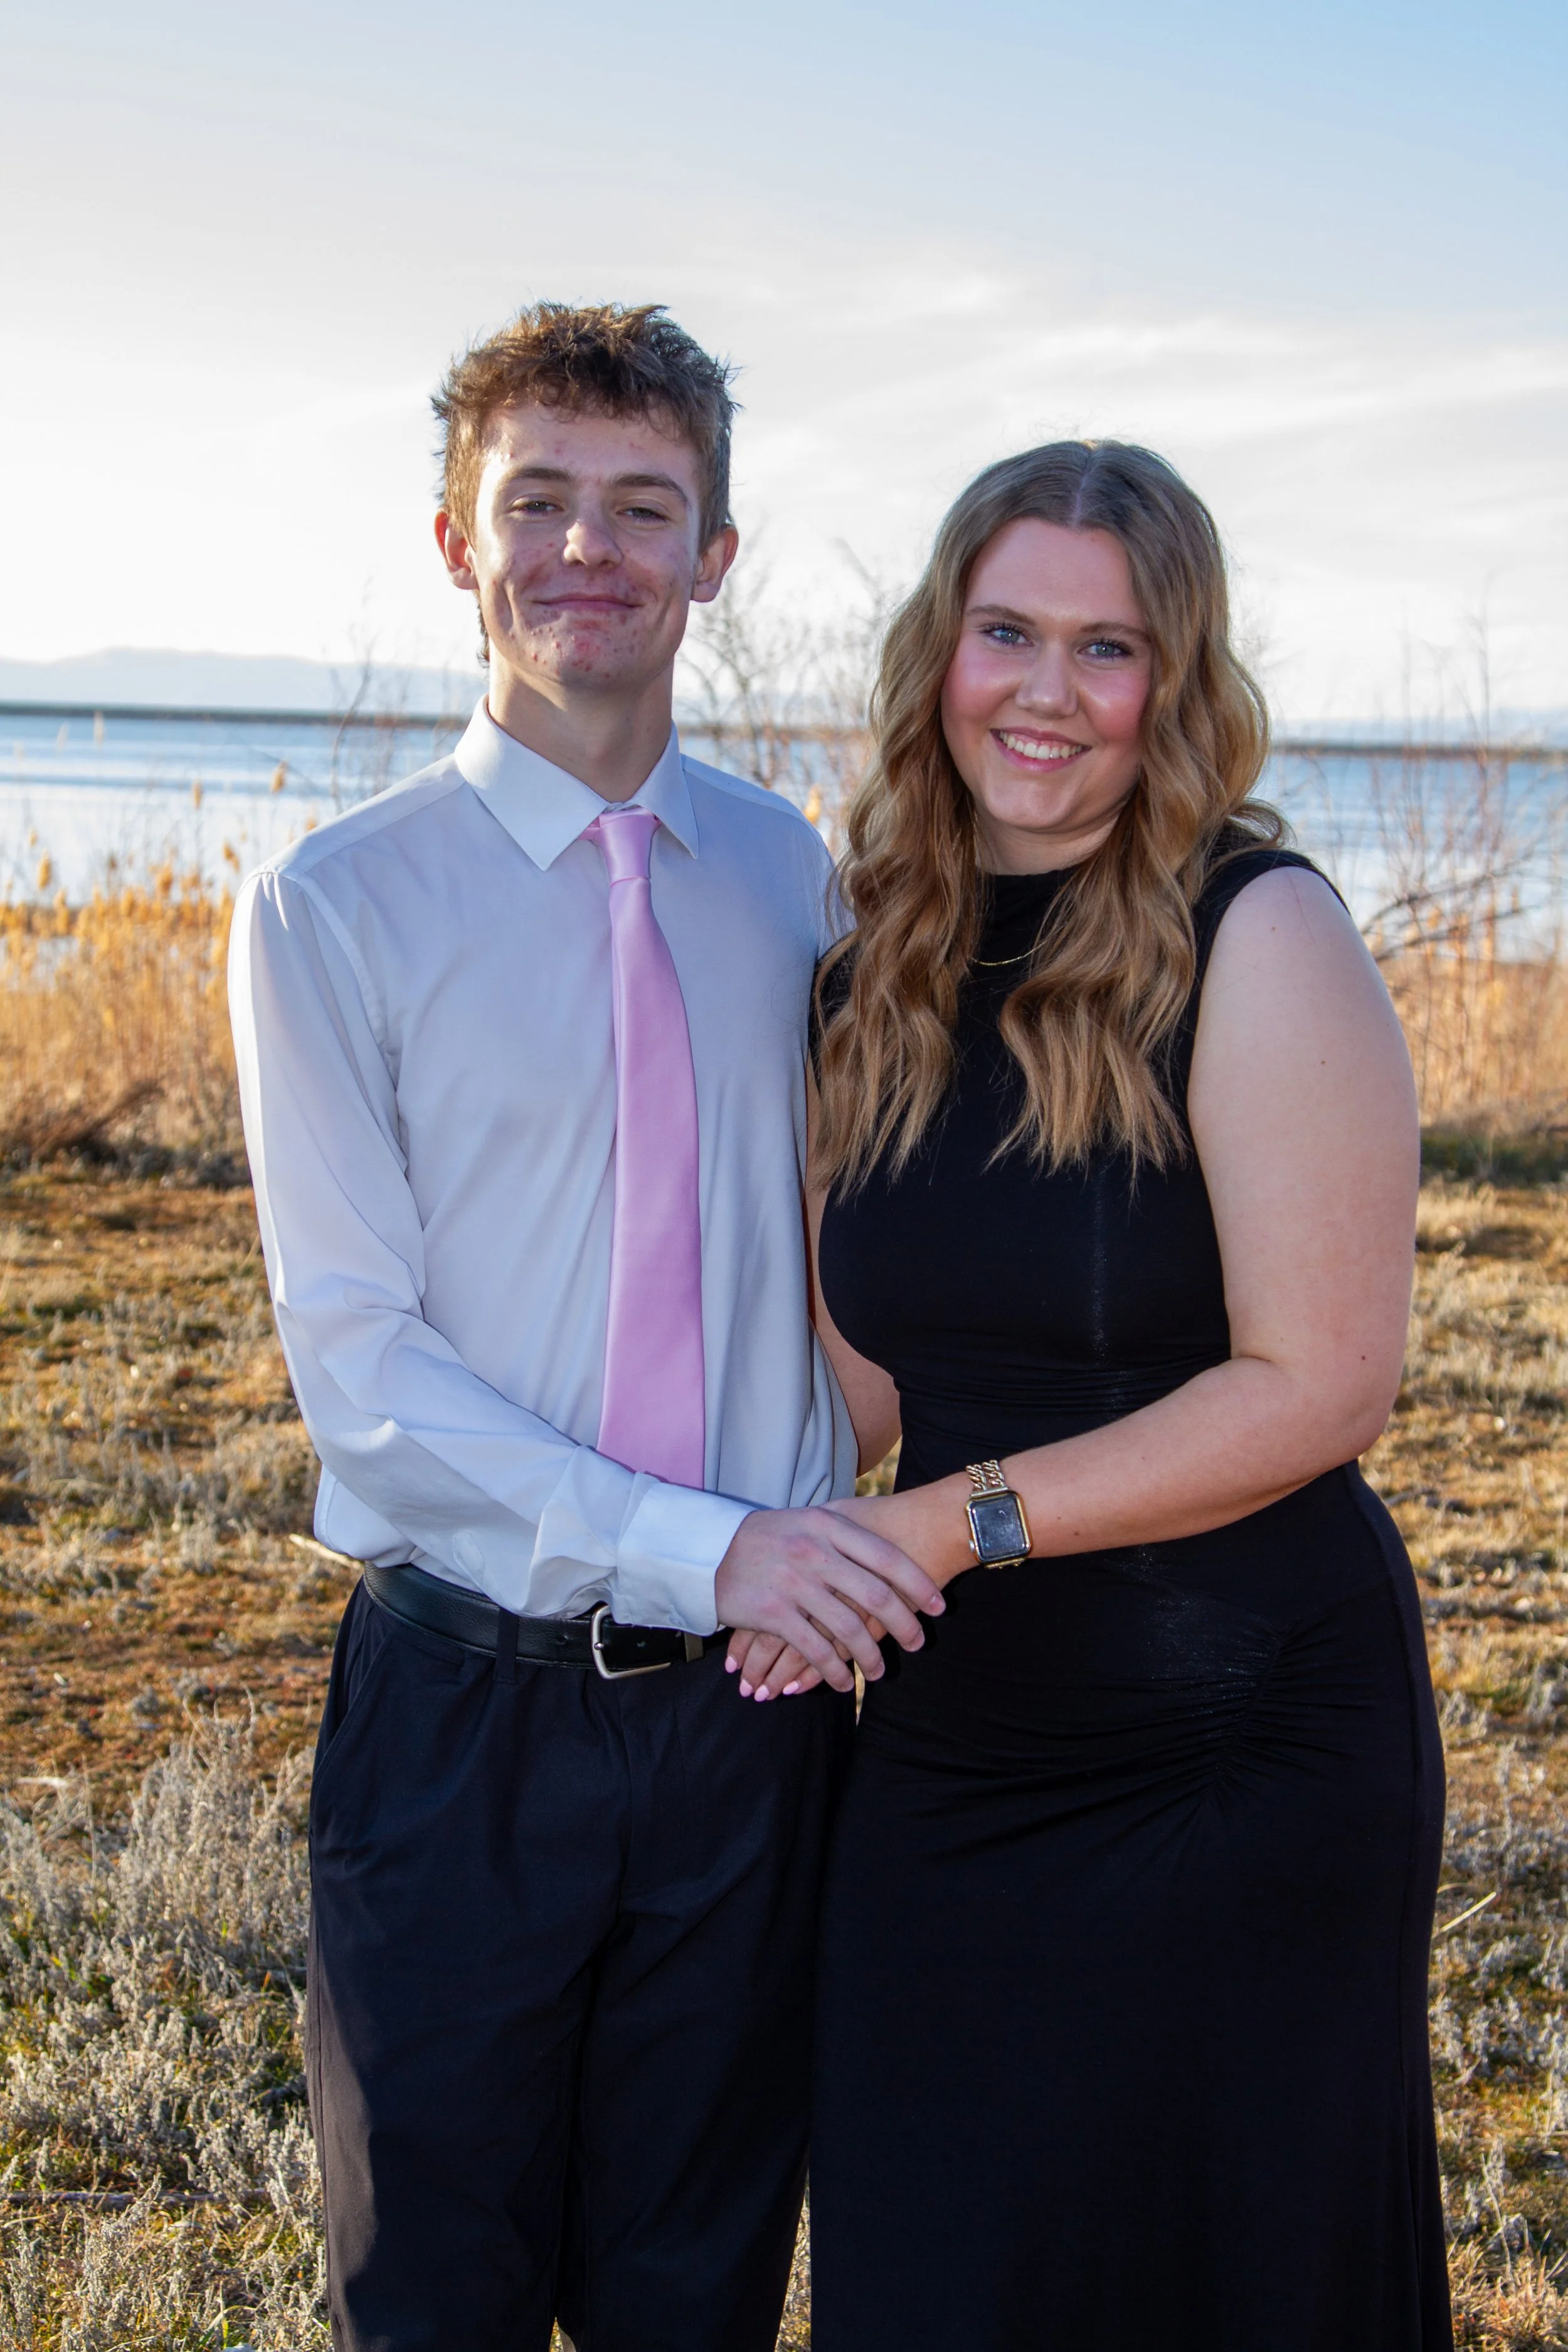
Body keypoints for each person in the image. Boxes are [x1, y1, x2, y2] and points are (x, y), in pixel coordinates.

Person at [228, 300, 943, 2352]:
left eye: (645, 506)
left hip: (753, 1713)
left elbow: (820, 1266)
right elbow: (362, 1380)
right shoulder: (330, 908)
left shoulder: (786, 877)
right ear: (457, 541)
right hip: (464, 1718)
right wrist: (706, 1542)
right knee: (434, 2293)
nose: (587, 548)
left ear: (715, 554)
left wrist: (805, 1539)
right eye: (535, 500)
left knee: (693, 2290)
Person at [730, 442, 1452, 2348]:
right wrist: (705, 1527)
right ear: (937, 653)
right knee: (933, 2254)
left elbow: (1322, 1382)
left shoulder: (1256, 931)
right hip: (953, 1737)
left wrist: (944, 1525)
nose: (1045, 692)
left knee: (1216, 2279)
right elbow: (863, 1372)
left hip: (1235, 1728)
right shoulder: (869, 968)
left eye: (1106, 646)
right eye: (1006, 632)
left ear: (1176, 683)